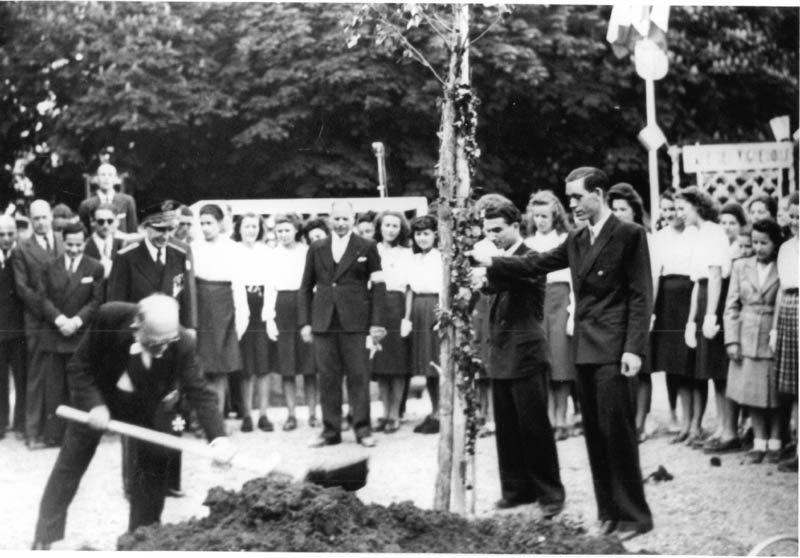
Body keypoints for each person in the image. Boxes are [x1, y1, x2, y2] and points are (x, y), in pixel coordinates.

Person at [473, 166, 653, 541]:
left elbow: (640, 296)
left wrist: (634, 348)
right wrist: (490, 261)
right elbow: (534, 263)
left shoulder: (629, 235)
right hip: (584, 347)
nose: (571, 204)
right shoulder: (577, 239)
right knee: (595, 435)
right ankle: (609, 513)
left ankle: (634, 516)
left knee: (617, 433)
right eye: (568, 197)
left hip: (616, 349)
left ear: (599, 195)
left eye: (576, 197)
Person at [31, 294, 233, 550]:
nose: (163, 349)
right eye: (156, 342)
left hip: (147, 406)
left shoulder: (183, 342)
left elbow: (200, 391)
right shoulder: (109, 316)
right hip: (98, 398)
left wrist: (219, 438)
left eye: (168, 342)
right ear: (138, 324)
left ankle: (140, 542)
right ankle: (44, 538)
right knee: (69, 466)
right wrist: (96, 406)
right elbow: (79, 367)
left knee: (152, 473)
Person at [477, 202, 565, 517]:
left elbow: (514, 275)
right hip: (501, 351)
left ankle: (550, 494)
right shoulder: (500, 260)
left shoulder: (531, 257)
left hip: (527, 353)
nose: (493, 236)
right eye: (488, 231)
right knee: (507, 427)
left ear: (516, 224)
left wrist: (487, 268)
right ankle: (516, 489)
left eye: (498, 229)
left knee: (535, 428)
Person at [106, 200, 198, 498]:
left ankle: (170, 480)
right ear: (145, 227)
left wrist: (189, 335)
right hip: (139, 346)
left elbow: (188, 300)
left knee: (173, 410)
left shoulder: (180, 253)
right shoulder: (126, 257)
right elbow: (115, 308)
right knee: (137, 412)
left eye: (170, 228)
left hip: (171, 344)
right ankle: (134, 483)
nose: (166, 235)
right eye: (159, 229)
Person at [298, 201, 386, 448]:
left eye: (345, 218)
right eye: (336, 218)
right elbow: (305, 287)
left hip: (356, 322)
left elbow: (379, 288)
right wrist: (305, 323)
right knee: (328, 378)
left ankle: (362, 430)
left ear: (353, 218)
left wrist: (376, 323)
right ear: (329, 219)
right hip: (323, 322)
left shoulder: (367, 247)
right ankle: (330, 432)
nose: (340, 223)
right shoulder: (317, 247)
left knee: (358, 376)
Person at [33, 222, 104, 446]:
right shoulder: (48, 266)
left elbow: (96, 301)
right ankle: (54, 435)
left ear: (85, 243)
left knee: (79, 387)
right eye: (70, 244)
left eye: (78, 245)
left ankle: (81, 436)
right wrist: (59, 319)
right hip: (55, 335)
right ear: (63, 242)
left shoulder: (95, 267)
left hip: (80, 336)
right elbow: (42, 298)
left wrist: (76, 321)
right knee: (54, 387)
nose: (74, 249)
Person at [724, 218, 783, 464]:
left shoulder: (784, 266)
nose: (759, 248)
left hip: (773, 333)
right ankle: (759, 441)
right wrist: (732, 340)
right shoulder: (741, 266)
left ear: (775, 243)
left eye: (764, 243)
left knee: (777, 392)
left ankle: (777, 440)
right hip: (747, 335)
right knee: (753, 392)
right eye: (755, 243)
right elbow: (731, 305)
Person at [676, 187, 731, 449]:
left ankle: (728, 429)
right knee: (710, 369)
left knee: (720, 371)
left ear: (696, 206)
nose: (680, 214)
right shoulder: (696, 235)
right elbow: (698, 280)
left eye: (683, 208)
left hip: (715, 300)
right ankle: (720, 427)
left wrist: (710, 315)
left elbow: (716, 276)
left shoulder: (713, 232)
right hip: (702, 298)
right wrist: (691, 320)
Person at [524, 190, 576, 441]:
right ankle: (546, 419)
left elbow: (575, 281)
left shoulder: (565, 239)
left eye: (545, 216)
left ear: (555, 216)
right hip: (537, 303)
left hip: (560, 301)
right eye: (536, 216)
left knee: (561, 360)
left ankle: (562, 418)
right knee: (541, 361)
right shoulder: (529, 243)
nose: (540, 221)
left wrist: (572, 311)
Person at [12, 200, 64, 448]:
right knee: (36, 376)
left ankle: (57, 431)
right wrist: (49, 312)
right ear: (30, 220)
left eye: (45, 217)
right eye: (36, 218)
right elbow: (23, 289)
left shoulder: (64, 242)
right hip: (37, 321)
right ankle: (33, 432)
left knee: (60, 376)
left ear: (51, 217)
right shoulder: (22, 249)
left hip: (63, 318)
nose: (41, 222)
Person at [608, 183, 657, 443]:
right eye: (613, 209)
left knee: (643, 367)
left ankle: (640, 421)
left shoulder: (644, 237)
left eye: (623, 209)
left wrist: (650, 312)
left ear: (635, 211)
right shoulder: (612, 237)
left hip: (642, 308)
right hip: (619, 309)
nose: (618, 214)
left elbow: (652, 279)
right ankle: (627, 422)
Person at [192, 204, 247, 417]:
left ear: (220, 223)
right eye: (202, 223)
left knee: (220, 364)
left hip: (222, 305)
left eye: (210, 223)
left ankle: (217, 418)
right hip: (199, 302)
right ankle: (199, 418)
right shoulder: (194, 247)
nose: (205, 228)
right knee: (200, 364)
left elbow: (239, 284)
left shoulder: (232, 248)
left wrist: (241, 317)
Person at [272, 213, 318, 430]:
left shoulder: (306, 252)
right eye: (279, 231)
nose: (283, 235)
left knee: (309, 366)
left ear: (296, 230)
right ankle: (291, 415)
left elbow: (312, 284)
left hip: (304, 304)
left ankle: (312, 414)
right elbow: (269, 285)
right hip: (282, 306)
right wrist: (269, 317)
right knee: (287, 366)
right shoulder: (273, 254)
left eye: (287, 230)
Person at [233, 213, 278, 433]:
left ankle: (263, 414)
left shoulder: (266, 252)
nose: (250, 230)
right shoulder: (233, 251)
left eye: (254, 226)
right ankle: (247, 415)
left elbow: (271, 282)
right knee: (246, 367)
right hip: (241, 308)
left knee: (263, 365)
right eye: (246, 226)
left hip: (262, 308)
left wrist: (269, 314)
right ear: (239, 228)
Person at [652, 191, 691, 432]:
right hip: (667, 298)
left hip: (689, 295)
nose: (669, 214)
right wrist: (653, 309)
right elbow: (656, 274)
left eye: (673, 209)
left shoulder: (693, 234)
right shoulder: (660, 237)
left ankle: (691, 417)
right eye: (664, 210)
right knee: (670, 358)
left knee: (689, 358)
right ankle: (674, 413)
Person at [371, 210, 412, 433]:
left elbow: (408, 289)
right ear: (380, 227)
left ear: (401, 229)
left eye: (395, 226)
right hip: (376, 308)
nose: (391, 230)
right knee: (380, 364)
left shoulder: (407, 254)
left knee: (397, 364)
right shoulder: (371, 250)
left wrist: (406, 317)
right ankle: (384, 413)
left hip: (396, 307)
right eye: (387, 225)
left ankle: (395, 414)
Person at [407, 214, 443, 435]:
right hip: (419, 308)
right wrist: (407, 317)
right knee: (425, 365)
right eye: (418, 234)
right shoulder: (415, 259)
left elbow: (444, 289)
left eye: (426, 233)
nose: (422, 238)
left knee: (437, 362)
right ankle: (433, 410)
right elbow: (410, 288)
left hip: (435, 307)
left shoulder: (440, 257)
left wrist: (442, 314)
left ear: (435, 235)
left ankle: (441, 412)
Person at [773, 191, 798, 472]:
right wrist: (775, 330)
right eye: (792, 216)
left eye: (799, 217)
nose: (795, 222)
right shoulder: (785, 248)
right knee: (793, 388)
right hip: (790, 308)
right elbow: (782, 289)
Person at [0, 215, 26, 440]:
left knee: (22, 377)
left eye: (10, 234)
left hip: (20, 330)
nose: (6, 239)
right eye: (1, 235)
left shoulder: (21, 256)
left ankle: (20, 422)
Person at [77, 163, 138, 238]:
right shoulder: (86, 205)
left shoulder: (127, 201)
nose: (106, 178)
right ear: (96, 179)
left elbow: (133, 230)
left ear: (116, 179)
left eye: (110, 175)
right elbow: (85, 234)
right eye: (103, 175)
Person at [83, 203, 124, 280]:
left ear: (117, 222)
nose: (105, 225)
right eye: (101, 221)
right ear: (93, 222)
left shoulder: (122, 245)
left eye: (110, 221)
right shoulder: (84, 248)